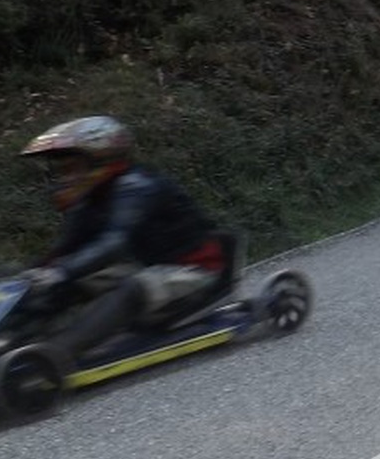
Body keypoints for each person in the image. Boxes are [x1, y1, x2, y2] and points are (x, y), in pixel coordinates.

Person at [18, 115, 226, 365]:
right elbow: (65, 249)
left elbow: (115, 241)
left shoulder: (138, 186)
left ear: (101, 159)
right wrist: (34, 275)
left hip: (195, 269)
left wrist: (62, 271)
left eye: (71, 169)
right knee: (67, 281)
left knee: (132, 286)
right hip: (148, 266)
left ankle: (54, 355)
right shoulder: (92, 198)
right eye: (60, 172)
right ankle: (15, 343)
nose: (64, 179)